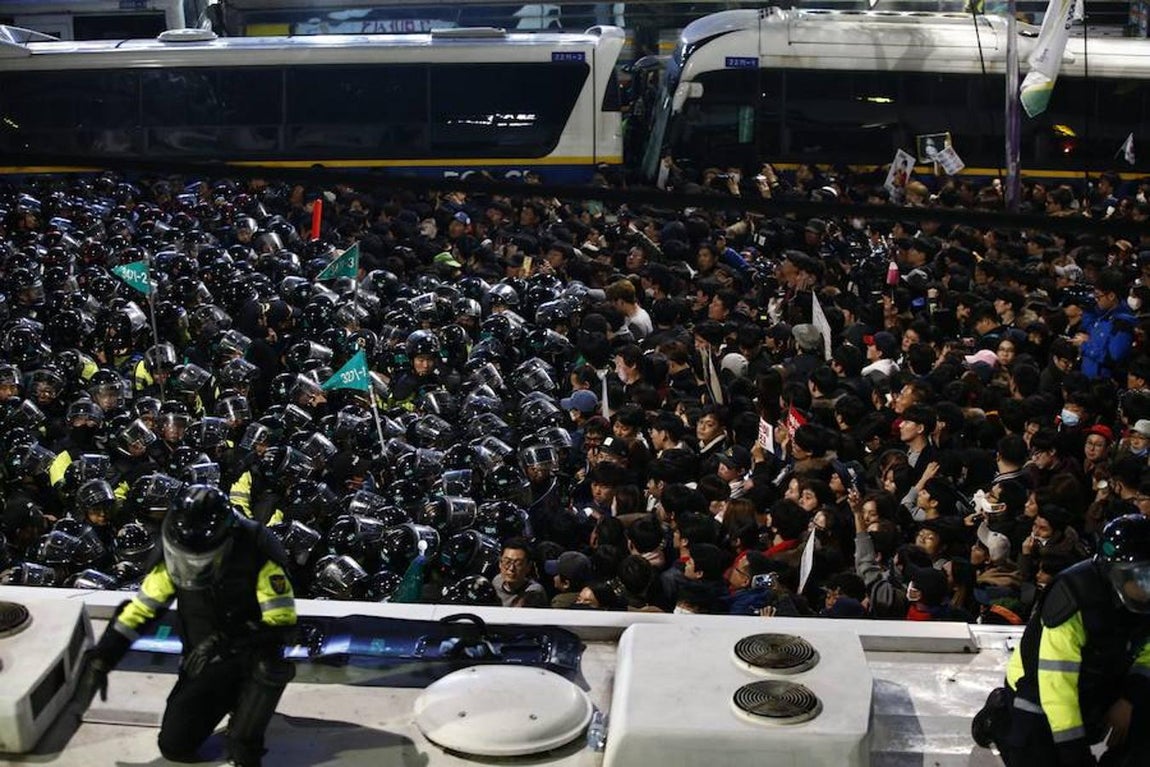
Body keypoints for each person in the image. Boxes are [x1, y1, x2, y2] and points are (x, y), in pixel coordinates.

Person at [70, 485, 297, 767]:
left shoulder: (256, 547)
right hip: (201, 661)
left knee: (267, 672)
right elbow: (143, 609)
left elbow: (281, 623)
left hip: (248, 655)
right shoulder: (173, 546)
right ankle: (226, 703)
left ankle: (246, 732)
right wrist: (104, 655)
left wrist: (226, 641)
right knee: (174, 747)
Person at [994, 514, 1150, 767]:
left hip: (1102, 676)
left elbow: (1147, 654)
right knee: (1035, 751)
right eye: (1141, 575)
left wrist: (1130, 699)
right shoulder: (1075, 596)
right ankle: (997, 720)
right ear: (1114, 573)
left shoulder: (1143, 599)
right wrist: (1076, 755)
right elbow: (1057, 684)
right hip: (1039, 687)